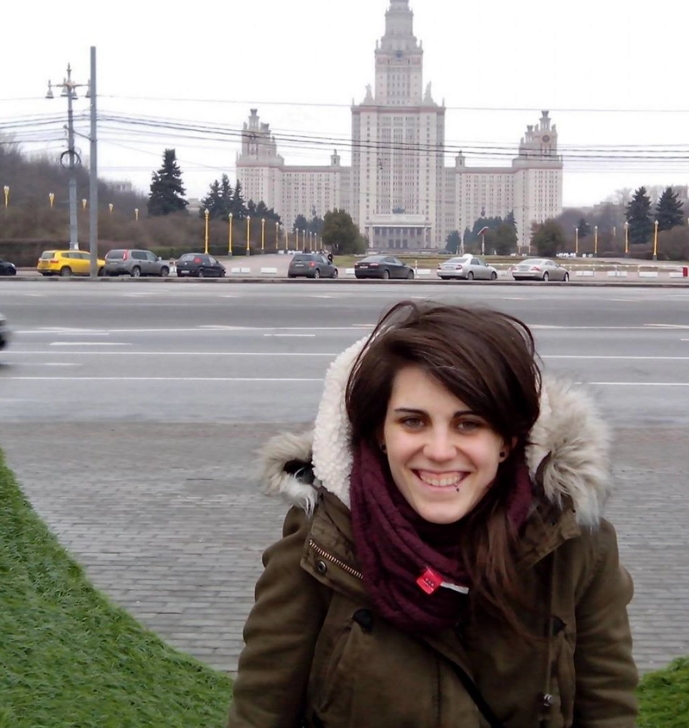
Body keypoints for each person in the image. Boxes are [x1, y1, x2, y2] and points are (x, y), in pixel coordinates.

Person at [228, 301, 637, 728]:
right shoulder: (320, 543)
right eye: (413, 422)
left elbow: (608, 710)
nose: (440, 452)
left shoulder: (572, 546)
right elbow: (260, 712)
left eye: (468, 424)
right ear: (380, 434)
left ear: (508, 441)